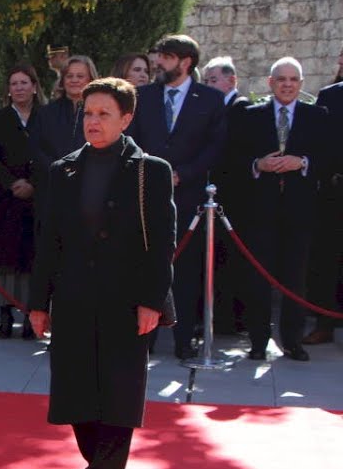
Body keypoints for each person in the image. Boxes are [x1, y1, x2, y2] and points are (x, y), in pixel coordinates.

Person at [29, 77, 176, 469]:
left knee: (118, 394)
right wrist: (39, 302)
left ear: (126, 119)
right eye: (88, 113)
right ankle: (99, 464)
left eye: (103, 114)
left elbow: (162, 243)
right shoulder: (64, 169)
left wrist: (152, 300)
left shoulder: (152, 171)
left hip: (126, 301)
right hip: (73, 299)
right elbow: (49, 240)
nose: (93, 122)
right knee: (76, 392)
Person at [126, 34, 227, 360]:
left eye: (166, 57)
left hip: (190, 199)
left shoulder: (210, 100)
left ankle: (184, 340)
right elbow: (133, 140)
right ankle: (146, 337)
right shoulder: (143, 96)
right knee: (145, 267)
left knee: (185, 271)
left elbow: (215, 147)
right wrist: (152, 172)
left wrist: (183, 173)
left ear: (185, 62)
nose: (159, 63)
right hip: (147, 196)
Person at [226, 58, 330, 362]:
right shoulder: (250, 116)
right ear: (270, 83)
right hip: (260, 211)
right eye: (281, 79)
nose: (287, 84)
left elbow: (329, 157)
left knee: (294, 278)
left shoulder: (317, 116)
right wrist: (258, 165)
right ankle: (258, 341)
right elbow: (231, 159)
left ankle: (292, 341)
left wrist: (304, 162)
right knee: (257, 278)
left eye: (293, 80)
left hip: (300, 211)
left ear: (300, 84)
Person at [0, 64, 42, 339]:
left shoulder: (45, 118)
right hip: (4, 200)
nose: (19, 88)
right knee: (4, 259)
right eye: (14, 83)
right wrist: (11, 183)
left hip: (36, 198)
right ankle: (5, 314)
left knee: (31, 260)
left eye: (24, 83)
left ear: (35, 86)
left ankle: (31, 315)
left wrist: (34, 184)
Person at [201, 56, 252, 335]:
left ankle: (232, 319)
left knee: (231, 259)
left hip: (233, 197)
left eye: (213, 80)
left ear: (231, 80)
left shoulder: (241, 108)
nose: (208, 86)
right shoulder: (213, 109)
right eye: (206, 80)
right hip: (213, 196)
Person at [304, 54, 343, 346]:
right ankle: (325, 323)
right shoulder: (331, 96)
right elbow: (319, 143)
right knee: (328, 260)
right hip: (335, 192)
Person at [31, 55, 97, 175]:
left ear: (90, 79)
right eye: (69, 76)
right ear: (62, 80)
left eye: (80, 76)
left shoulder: (101, 112)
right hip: (53, 180)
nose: (74, 80)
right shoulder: (46, 113)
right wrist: (58, 169)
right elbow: (37, 149)